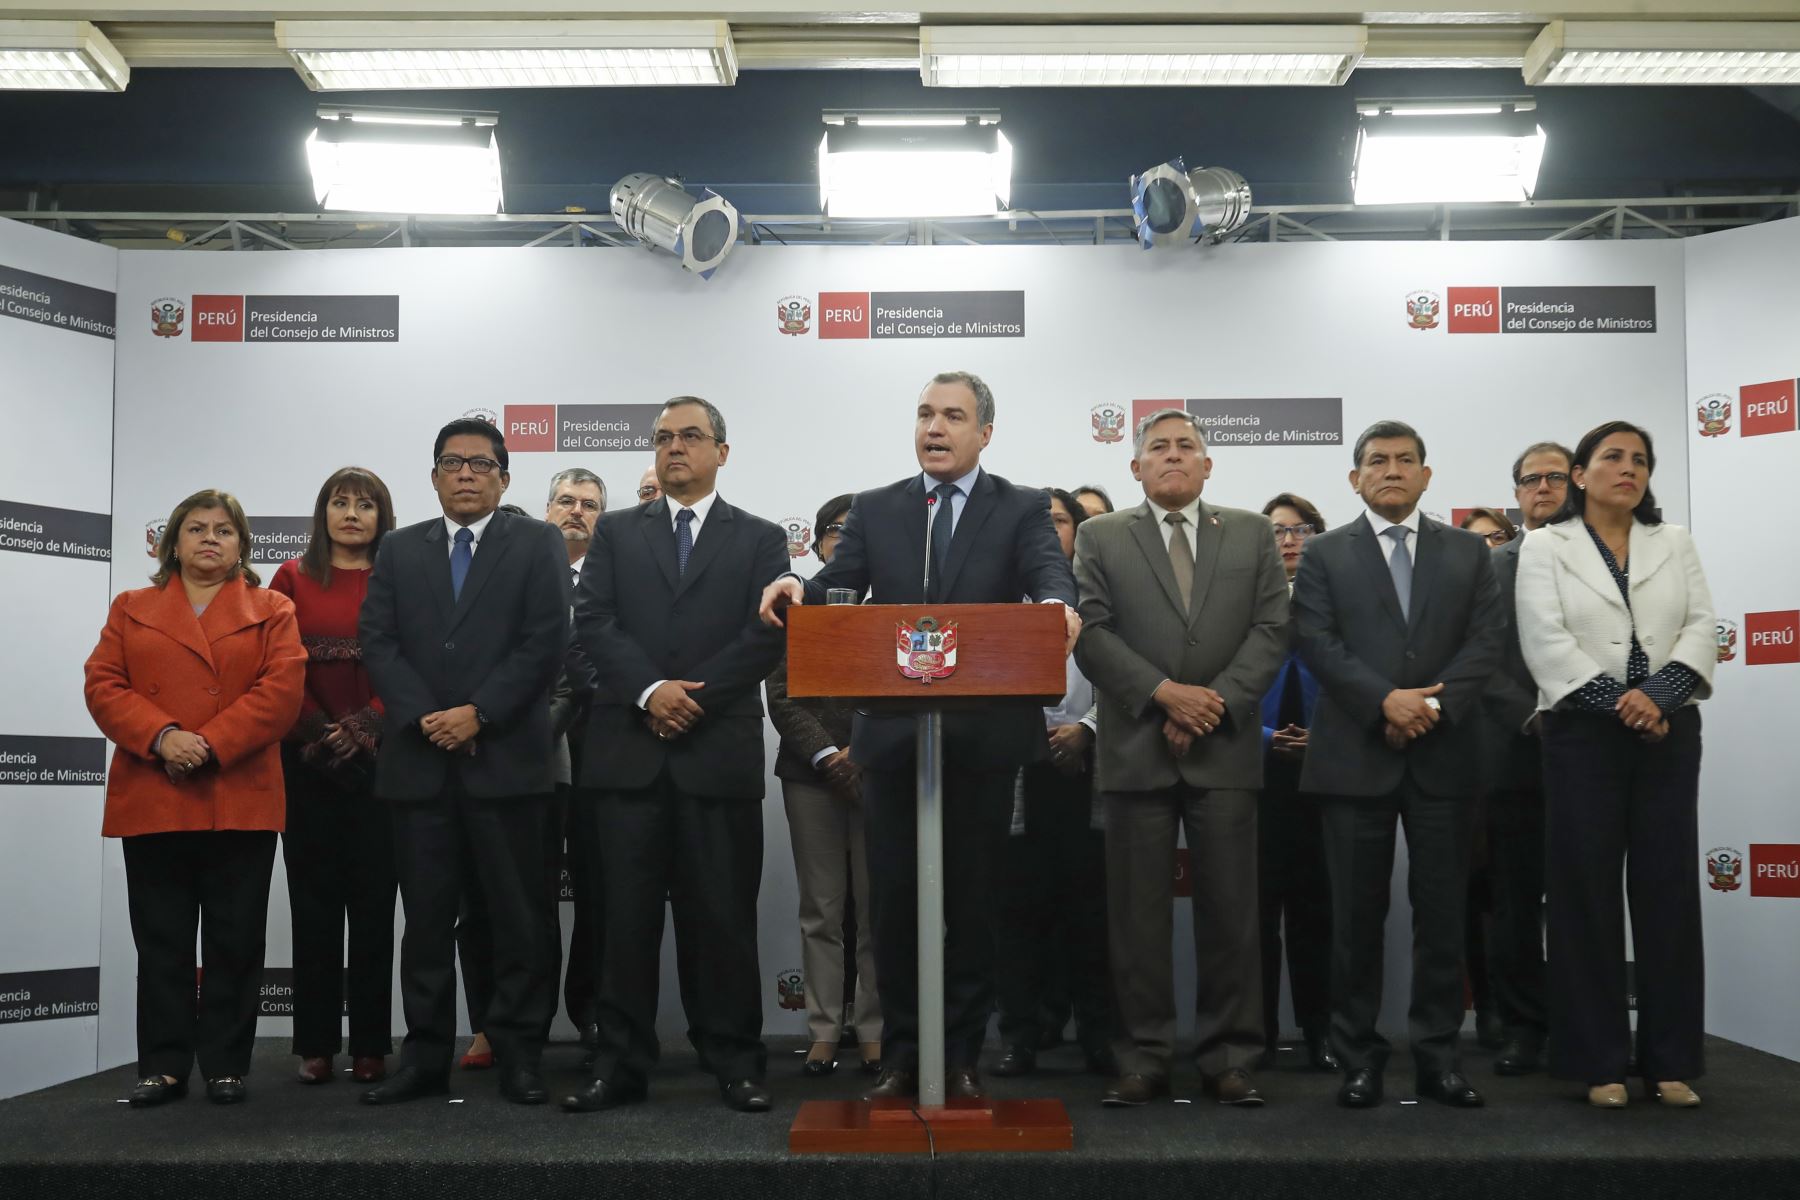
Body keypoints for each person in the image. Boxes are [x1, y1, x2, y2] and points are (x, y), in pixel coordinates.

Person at [759, 370, 1079, 1102]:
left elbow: (1049, 574)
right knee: (895, 908)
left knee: (973, 906)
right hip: (896, 740)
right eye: (926, 414)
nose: (935, 428)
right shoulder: (877, 507)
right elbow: (838, 585)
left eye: (953, 416)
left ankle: (961, 1055)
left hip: (984, 741)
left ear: (985, 433)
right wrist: (798, 587)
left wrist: (1058, 606)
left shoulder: (1022, 506)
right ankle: (902, 1055)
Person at [564, 396, 789, 1114]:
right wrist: (651, 692)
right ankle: (618, 1064)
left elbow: (766, 636)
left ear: (722, 451)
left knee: (722, 921)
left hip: (715, 754)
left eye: (690, 436)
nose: (674, 448)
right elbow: (594, 621)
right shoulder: (616, 532)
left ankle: (735, 1061)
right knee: (620, 923)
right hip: (626, 754)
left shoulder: (761, 539)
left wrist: (692, 699)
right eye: (663, 437)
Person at [1073, 412, 1288, 1107]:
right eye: (1158, 447)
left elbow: (1272, 628)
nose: (1173, 456)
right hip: (1137, 746)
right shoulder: (1101, 536)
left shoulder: (1251, 532)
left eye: (1186, 446)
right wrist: (1165, 695)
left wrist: (1211, 705)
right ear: (1135, 467)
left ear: (1207, 464)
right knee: (1136, 917)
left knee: (1233, 911)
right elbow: (1091, 632)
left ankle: (1231, 1058)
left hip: (1224, 747)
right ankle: (1143, 1058)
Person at [358, 418, 571, 1107]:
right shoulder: (399, 548)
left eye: (481, 464)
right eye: (452, 463)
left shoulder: (536, 542)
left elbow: (546, 641)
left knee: (516, 920)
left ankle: (519, 1054)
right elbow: (378, 640)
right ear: (434, 477)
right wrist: (428, 718)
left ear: (504, 478)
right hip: (419, 766)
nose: (466, 474)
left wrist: (479, 713)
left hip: (506, 762)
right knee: (424, 924)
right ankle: (424, 1057)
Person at [1292, 419, 1502, 1110]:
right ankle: (1359, 1058)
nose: (1391, 470)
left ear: (1426, 475)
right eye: (1377, 460)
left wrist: (1429, 707)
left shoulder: (1469, 551)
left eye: (1405, 460)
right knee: (1355, 919)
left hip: (1446, 754)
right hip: (1355, 755)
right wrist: (1384, 701)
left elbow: (1487, 641)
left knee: (1442, 916)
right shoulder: (1324, 552)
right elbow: (1316, 640)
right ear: (1355, 478)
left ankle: (1439, 1057)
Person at [1515, 420, 1715, 1109]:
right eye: (1612, 457)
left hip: (1668, 732)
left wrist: (1658, 697)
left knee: (1668, 893)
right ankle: (1597, 1061)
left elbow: (1700, 626)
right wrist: (1621, 703)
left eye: (1640, 460)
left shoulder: (1675, 541)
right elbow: (1545, 640)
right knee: (1583, 895)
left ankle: (1670, 1061)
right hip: (1582, 735)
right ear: (1580, 474)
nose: (1628, 468)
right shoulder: (1545, 545)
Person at [84, 490, 306, 1107]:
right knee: (162, 941)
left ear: (242, 546)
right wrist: (163, 737)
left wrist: (207, 743)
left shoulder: (273, 608)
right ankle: (163, 1065)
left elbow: (281, 694)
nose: (211, 538)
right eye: (197, 528)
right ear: (172, 544)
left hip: (239, 794)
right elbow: (103, 685)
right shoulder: (131, 607)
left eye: (224, 530)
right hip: (154, 791)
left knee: (236, 939)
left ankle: (227, 1065)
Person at [269, 468, 398, 1087]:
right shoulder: (291, 577)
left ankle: (371, 1044)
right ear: (322, 513)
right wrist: (321, 730)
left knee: (374, 908)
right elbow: (274, 668)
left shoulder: (401, 578)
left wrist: (368, 723)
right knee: (313, 907)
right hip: (307, 765)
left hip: (383, 767)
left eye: (365, 505)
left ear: (382, 516)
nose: (351, 514)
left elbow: (415, 663)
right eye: (339, 503)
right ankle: (315, 1044)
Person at [993, 488, 1114, 1080]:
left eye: (1060, 521)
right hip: (1018, 773)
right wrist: (1036, 735)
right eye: (1040, 523)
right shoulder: (1000, 600)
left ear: (1080, 530)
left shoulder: (1104, 597)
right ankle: (1019, 1036)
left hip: (1090, 775)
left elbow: (1126, 676)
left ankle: (1099, 1036)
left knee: (1093, 917)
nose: (1049, 531)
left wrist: (1086, 730)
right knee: (1018, 916)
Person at [764, 493, 882, 1078]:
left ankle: (875, 1030)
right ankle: (823, 1031)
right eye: (834, 529)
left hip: (880, 771)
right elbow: (780, 693)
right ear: (815, 544)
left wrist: (866, 750)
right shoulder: (795, 606)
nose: (844, 538)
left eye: (855, 529)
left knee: (877, 910)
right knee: (822, 908)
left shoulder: (897, 607)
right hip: (810, 774)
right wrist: (829, 755)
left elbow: (911, 686)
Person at [1476, 441, 1572, 1077]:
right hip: (1514, 755)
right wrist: (1536, 713)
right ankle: (1523, 1027)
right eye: (1531, 479)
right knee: (1513, 902)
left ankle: (1586, 1026)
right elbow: (1479, 656)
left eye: (1556, 477)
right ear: (1516, 494)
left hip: (1595, 752)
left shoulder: (1610, 557)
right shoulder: (1491, 568)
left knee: (1585, 900)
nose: (1543, 487)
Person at [1255, 492, 1336, 1073]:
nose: (1288, 540)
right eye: (1277, 531)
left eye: (1300, 529)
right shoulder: (1241, 597)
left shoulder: (1340, 597)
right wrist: (1264, 738)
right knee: (1254, 916)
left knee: (1318, 913)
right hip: (1254, 773)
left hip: (1324, 773)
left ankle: (1321, 1031)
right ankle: (1256, 1033)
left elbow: (1355, 677)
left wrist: (1325, 738)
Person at [546, 469, 606, 1057]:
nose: (576, 512)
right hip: (526, 752)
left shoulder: (614, 579)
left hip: (599, 752)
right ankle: (519, 1021)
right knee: (525, 892)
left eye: (590, 505)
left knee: (596, 890)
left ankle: (590, 1010)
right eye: (566, 501)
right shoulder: (520, 572)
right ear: (547, 509)